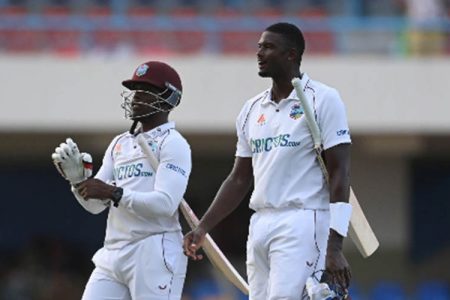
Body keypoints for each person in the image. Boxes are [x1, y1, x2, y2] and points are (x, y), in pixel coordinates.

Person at [183, 22, 352, 300]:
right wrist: (202, 228)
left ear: (291, 54)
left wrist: (335, 246)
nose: (260, 53)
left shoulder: (323, 99)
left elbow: (340, 173)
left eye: (269, 47)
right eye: (259, 47)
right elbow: (238, 179)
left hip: (303, 219)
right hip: (260, 223)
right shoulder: (251, 109)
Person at [52, 61, 192, 300]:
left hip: (154, 248)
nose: (136, 97)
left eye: (145, 91)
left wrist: (113, 192)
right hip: (114, 250)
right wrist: (77, 182)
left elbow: (165, 204)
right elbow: (95, 207)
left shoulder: (173, 142)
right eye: (135, 90)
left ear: (168, 97)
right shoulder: (120, 143)